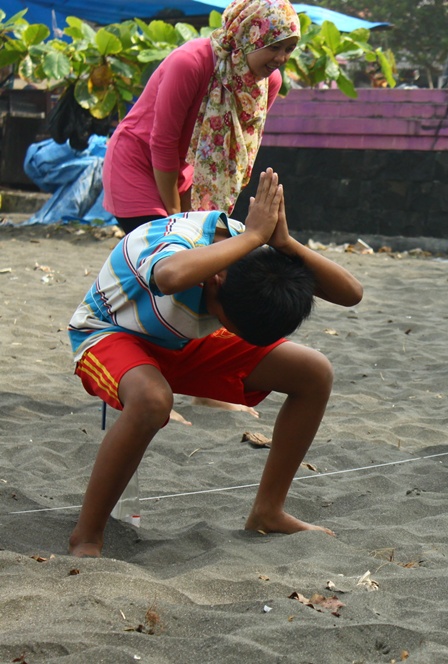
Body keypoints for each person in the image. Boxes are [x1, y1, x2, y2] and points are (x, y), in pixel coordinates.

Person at [66, 169, 364, 557]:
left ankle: (268, 511)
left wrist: (285, 243)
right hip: (109, 334)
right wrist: (253, 236)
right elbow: (170, 276)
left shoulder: (256, 258)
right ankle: (87, 536)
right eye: (230, 322)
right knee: (153, 399)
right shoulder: (182, 241)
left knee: (313, 371)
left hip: (182, 342)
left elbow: (351, 294)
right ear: (215, 281)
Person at [102, 0, 301, 233]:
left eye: (289, 49)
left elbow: (237, 147)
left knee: (202, 253)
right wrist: (175, 214)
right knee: (168, 250)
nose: (281, 58)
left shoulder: (267, 83)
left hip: (185, 174)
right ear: (248, 37)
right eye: (273, 46)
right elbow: (163, 142)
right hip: (136, 164)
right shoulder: (190, 63)